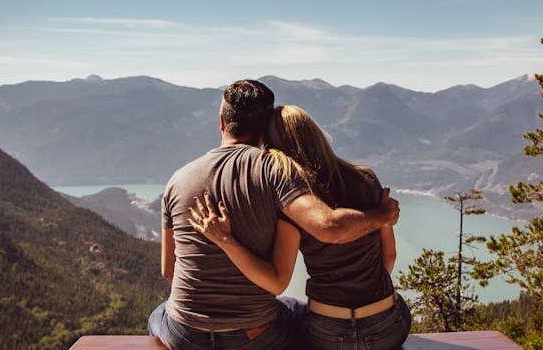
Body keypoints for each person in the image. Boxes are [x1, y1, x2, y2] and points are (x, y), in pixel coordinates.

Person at [147, 80, 400, 350]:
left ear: (222, 122)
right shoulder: (276, 172)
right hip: (253, 335)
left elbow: (169, 270)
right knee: (295, 311)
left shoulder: (177, 180)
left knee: (158, 314)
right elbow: (327, 229)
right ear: (265, 128)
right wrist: (382, 215)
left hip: (184, 334)